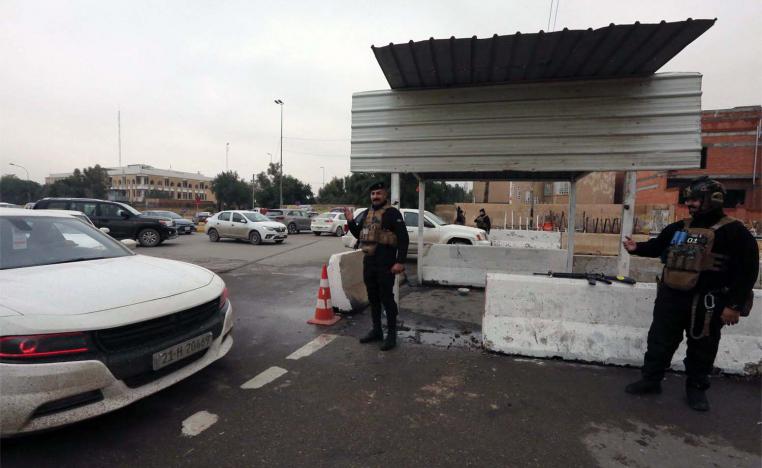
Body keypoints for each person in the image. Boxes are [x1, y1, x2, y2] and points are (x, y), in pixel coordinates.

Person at [622, 176, 758, 411]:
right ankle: (651, 380)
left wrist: (733, 306)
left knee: (702, 348)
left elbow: (747, 271)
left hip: (707, 302)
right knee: (659, 341)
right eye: (689, 199)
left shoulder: (734, 232)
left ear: (714, 199)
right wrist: (637, 248)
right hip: (671, 297)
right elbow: (658, 246)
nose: (690, 203)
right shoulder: (679, 227)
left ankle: (696, 389)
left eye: (696, 199)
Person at [345, 182, 409, 351]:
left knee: (387, 299)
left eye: (378, 193)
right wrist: (351, 221)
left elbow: (403, 238)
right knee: (373, 298)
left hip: (386, 263)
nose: (375, 196)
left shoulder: (392, 213)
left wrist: (400, 261)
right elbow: (359, 233)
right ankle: (377, 330)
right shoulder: (367, 213)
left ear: (385, 195)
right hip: (370, 261)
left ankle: (392, 334)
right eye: (373, 193)